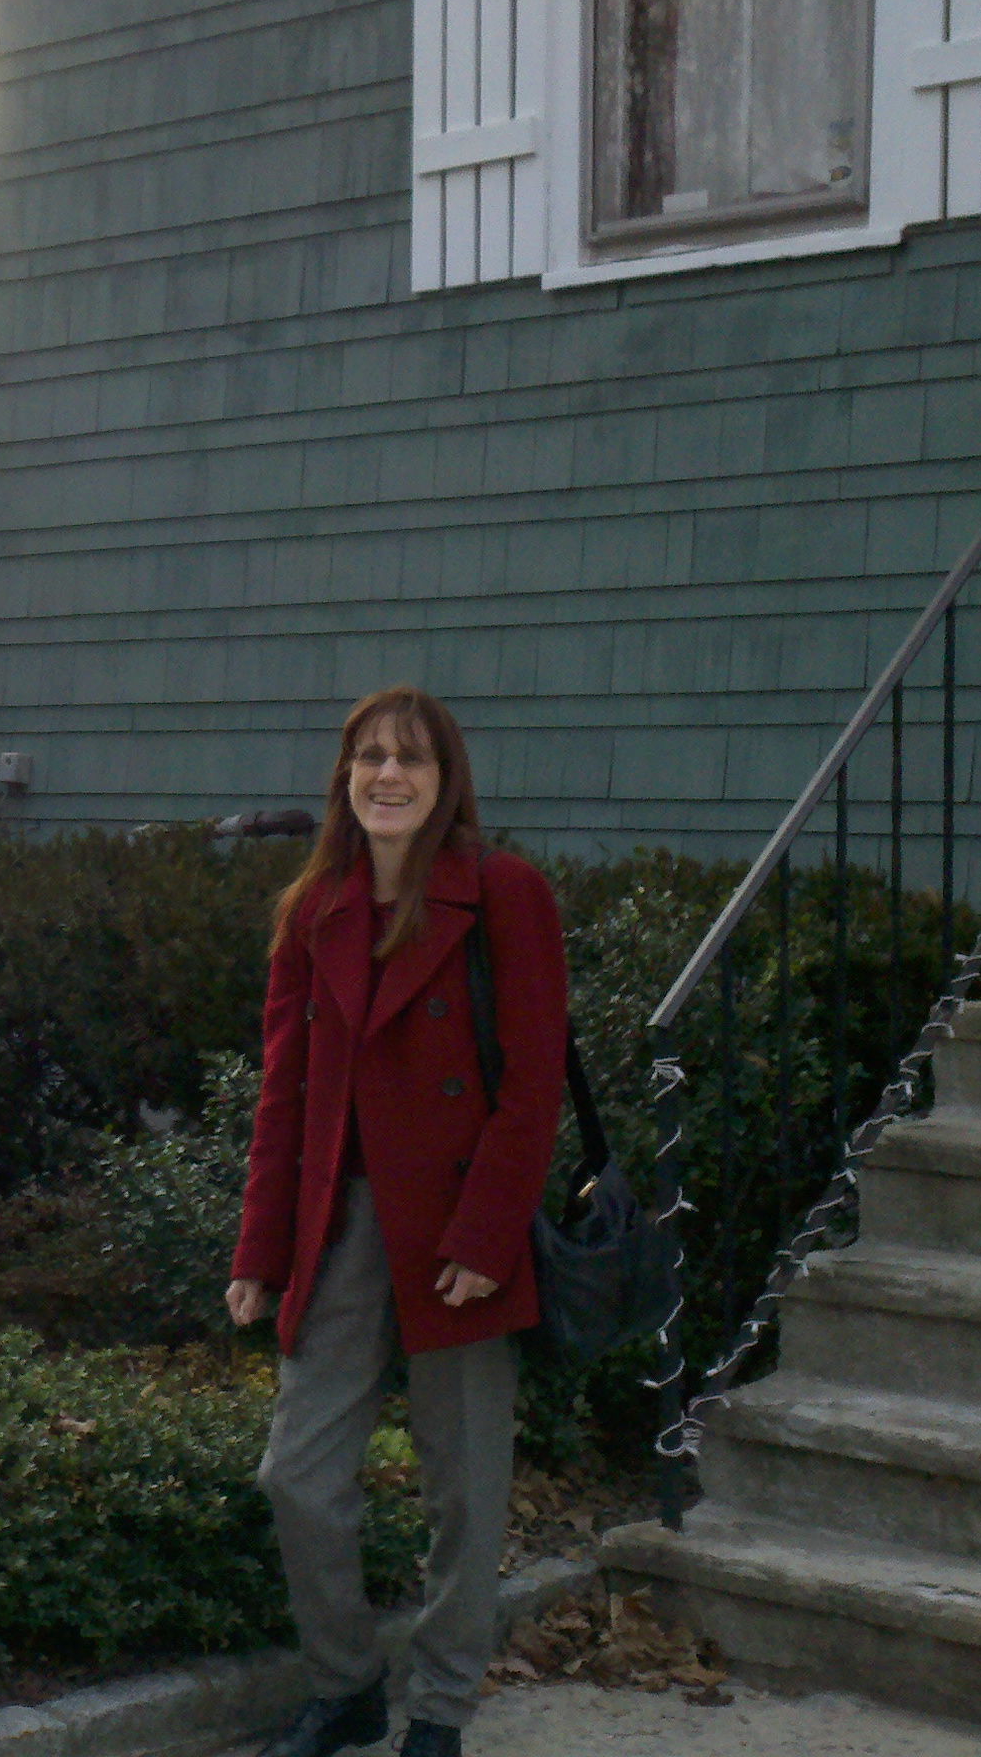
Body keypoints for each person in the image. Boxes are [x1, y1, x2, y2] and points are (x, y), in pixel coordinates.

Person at [229, 686, 565, 1757]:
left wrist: (485, 1233)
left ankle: (444, 1709)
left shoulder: (503, 894)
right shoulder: (315, 908)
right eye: (368, 757)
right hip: (339, 1229)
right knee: (298, 1473)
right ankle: (347, 1685)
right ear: (345, 777)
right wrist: (261, 1251)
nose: (387, 775)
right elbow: (284, 1095)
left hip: (459, 1231)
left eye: (411, 759)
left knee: (464, 1490)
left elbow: (531, 1082)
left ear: (445, 777)